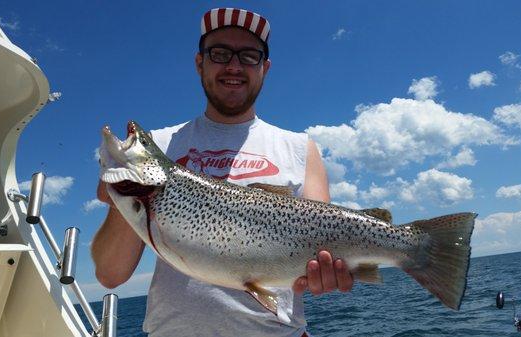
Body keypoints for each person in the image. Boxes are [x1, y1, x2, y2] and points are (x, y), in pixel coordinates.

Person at [92, 8, 354, 337]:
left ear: (265, 68)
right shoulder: (160, 144)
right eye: (219, 53)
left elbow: (325, 244)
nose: (233, 66)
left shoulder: (302, 149)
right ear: (200, 62)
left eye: (248, 55)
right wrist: (123, 194)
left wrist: (329, 271)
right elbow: (109, 274)